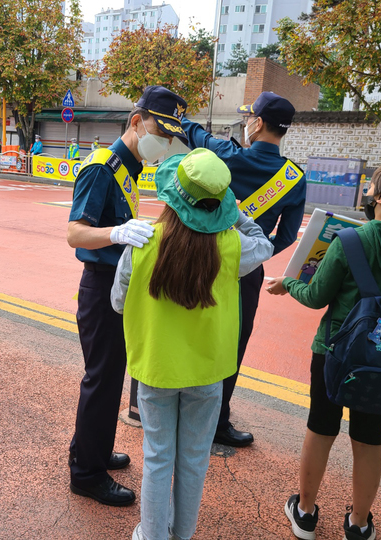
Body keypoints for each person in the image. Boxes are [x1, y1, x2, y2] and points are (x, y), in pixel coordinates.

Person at [266, 158, 381, 540]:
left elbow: (315, 296)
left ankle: (306, 512)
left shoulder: (349, 241)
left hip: (334, 351)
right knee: (369, 439)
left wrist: (287, 284)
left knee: (321, 427)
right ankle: (359, 524)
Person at [111, 149, 273, 540]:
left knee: (158, 457)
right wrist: (231, 212)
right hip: (207, 371)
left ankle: (153, 534)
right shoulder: (233, 248)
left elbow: (118, 301)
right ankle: (182, 534)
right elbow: (263, 242)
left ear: (172, 195)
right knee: (194, 460)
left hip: (157, 368)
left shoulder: (142, 240)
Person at [67, 85, 189, 507]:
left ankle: (92, 451)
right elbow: (75, 232)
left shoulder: (129, 167)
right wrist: (117, 233)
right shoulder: (102, 167)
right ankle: (86, 473)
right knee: (102, 379)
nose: (166, 143)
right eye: (162, 131)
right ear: (137, 122)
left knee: (110, 376)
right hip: (100, 288)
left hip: (117, 286)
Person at [181, 91, 307, 447]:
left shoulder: (226, 155)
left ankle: (179, 409)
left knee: (189, 330)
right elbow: (285, 236)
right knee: (232, 343)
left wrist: (181, 118)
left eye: (250, 117)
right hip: (245, 269)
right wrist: (251, 252)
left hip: (198, 259)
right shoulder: (294, 178)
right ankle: (218, 422)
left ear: (258, 123)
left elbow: (192, 134)